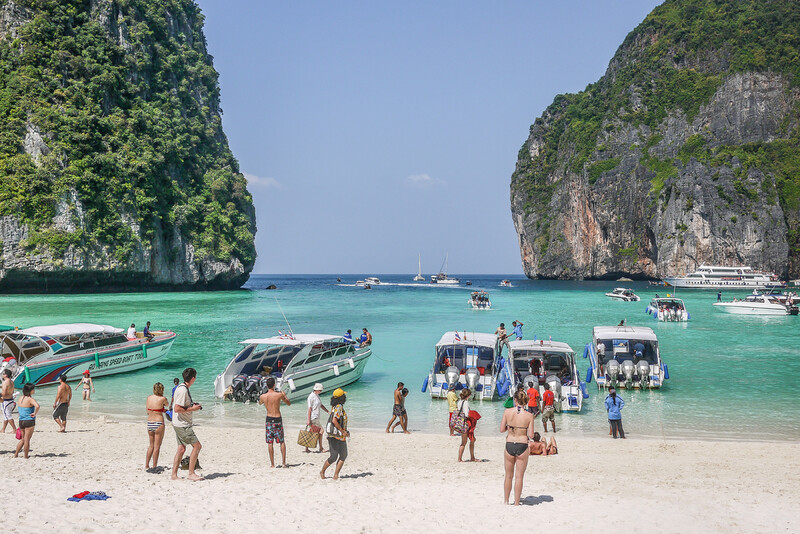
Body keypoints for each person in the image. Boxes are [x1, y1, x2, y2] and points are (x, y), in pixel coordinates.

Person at [500, 389, 535, 506]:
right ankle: (516, 502)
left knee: (508, 475)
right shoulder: (529, 415)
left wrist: (510, 427)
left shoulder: (507, 412)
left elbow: (501, 430)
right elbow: (531, 435)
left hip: (510, 443)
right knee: (519, 476)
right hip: (522, 444)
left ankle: (506, 500)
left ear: (515, 400)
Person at [171, 368, 203, 481]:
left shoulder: (182, 387)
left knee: (181, 449)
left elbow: (181, 405)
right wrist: (193, 409)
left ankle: (174, 475)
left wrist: (192, 405)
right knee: (197, 446)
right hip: (182, 424)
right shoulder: (183, 390)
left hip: (178, 423)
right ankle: (191, 473)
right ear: (193, 378)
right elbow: (177, 408)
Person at [260, 376, 291, 468]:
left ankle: (272, 464)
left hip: (269, 420)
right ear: (274, 385)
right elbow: (288, 403)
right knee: (281, 441)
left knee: (270, 442)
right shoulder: (279, 395)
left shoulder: (263, 396)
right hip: (277, 419)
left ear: (266, 385)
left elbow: (260, 403)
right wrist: (284, 395)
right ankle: (284, 463)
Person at [320, 388, 349, 480]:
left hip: (338, 435)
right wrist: (343, 431)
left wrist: (344, 431)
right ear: (342, 397)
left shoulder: (335, 406)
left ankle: (336, 475)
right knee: (334, 456)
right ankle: (322, 471)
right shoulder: (339, 407)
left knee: (343, 455)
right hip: (336, 435)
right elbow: (334, 420)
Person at [146, 382, 169, 470]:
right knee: (157, 446)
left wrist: (159, 409)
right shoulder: (163, 398)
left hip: (150, 422)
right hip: (159, 423)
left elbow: (148, 411)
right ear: (162, 390)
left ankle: (147, 465)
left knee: (151, 445)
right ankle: (154, 465)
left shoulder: (149, 398)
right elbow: (167, 405)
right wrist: (163, 410)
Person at [14, 383, 39, 459]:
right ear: (30, 390)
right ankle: (26, 456)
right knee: (27, 439)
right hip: (29, 421)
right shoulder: (30, 399)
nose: (34, 390)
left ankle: (16, 454)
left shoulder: (21, 398)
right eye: (33, 389)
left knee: (22, 439)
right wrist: (35, 413)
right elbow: (37, 406)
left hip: (21, 420)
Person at [306, 383, 328, 453]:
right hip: (313, 417)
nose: (321, 392)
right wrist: (308, 420)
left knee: (312, 432)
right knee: (321, 430)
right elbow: (309, 409)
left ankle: (306, 448)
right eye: (320, 390)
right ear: (316, 389)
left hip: (316, 417)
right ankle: (321, 448)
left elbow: (320, 405)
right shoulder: (311, 397)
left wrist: (327, 411)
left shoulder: (317, 395)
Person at [456, 389, 477, 462]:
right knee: (471, 440)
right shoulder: (466, 403)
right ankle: (471, 457)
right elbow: (466, 414)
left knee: (465, 441)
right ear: (468, 395)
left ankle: (461, 458)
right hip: (466, 423)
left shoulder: (459, 402)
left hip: (460, 423)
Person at [1, 369, 16, 434]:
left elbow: (3, 393)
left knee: (8, 416)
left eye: (3, 373)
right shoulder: (11, 382)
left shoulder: (5, 382)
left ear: (6, 375)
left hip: (6, 401)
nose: (2, 374)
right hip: (11, 400)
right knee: (6, 415)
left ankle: (14, 429)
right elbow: (12, 391)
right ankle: (3, 429)